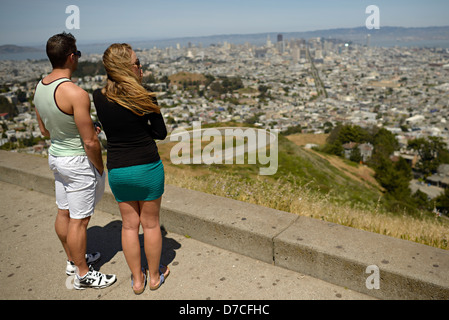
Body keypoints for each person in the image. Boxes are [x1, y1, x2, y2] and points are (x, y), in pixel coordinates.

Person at [33, 32, 116, 290]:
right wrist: (100, 168)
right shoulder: (76, 93)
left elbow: (45, 131)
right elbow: (90, 142)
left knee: (64, 211)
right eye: (77, 53)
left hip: (56, 156)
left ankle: (72, 259)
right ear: (71, 57)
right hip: (77, 161)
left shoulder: (39, 86)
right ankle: (83, 274)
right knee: (80, 220)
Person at [93, 43, 169, 295]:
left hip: (120, 170)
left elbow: (112, 127)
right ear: (126, 67)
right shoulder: (144, 95)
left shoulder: (98, 96)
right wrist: (141, 129)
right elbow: (160, 132)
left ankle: (137, 281)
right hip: (148, 167)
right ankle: (155, 276)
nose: (140, 66)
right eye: (137, 63)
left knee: (129, 226)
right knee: (150, 225)